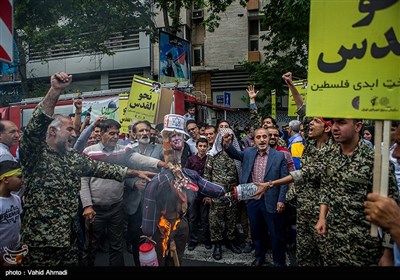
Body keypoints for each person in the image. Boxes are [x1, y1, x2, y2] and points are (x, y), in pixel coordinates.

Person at [19, 72, 156, 266]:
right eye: (70, 130)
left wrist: (134, 172)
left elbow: (102, 168)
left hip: (69, 239)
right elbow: (35, 127)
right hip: (41, 244)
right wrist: (55, 90)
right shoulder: (35, 155)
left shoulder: (71, 158)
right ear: (52, 131)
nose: (75, 134)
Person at [256, 118, 398, 266]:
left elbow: (392, 211)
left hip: (360, 245)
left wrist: (388, 253)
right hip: (330, 237)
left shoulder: (375, 162)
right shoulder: (331, 156)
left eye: (341, 123)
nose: (335, 127)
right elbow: (325, 188)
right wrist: (322, 217)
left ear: (358, 127)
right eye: (334, 123)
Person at [141, 114, 225, 266]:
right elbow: (148, 222)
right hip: (161, 228)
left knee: (175, 257)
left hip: (179, 224)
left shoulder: (187, 176)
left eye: (179, 139)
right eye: (170, 139)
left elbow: (217, 191)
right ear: (164, 144)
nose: (175, 143)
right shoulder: (159, 182)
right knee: (162, 258)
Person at [222, 127, 289, 267]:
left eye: (265, 137)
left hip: (272, 200)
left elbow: (285, 181)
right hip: (253, 200)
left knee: (276, 234)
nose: (262, 140)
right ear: (254, 139)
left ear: (269, 138)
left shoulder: (279, 156)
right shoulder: (248, 153)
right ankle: (259, 257)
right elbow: (235, 154)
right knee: (257, 232)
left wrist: (281, 200)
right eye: (258, 137)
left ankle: (278, 261)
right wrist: (227, 144)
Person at [123, 120, 164, 266]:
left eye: (147, 130)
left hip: (156, 201)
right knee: (136, 238)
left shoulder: (160, 148)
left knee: (157, 237)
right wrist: (133, 182)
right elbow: (121, 173)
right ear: (134, 134)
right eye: (141, 131)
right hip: (135, 201)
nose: (145, 133)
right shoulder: (127, 150)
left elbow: (168, 166)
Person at [0, 161, 24, 266]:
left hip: (16, 251)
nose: (22, 181)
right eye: (19, 177)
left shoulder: (17, 199)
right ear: (5, 179)